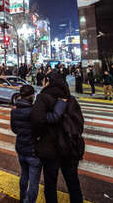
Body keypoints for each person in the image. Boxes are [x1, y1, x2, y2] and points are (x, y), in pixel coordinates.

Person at [31, 75, 83, 203]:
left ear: (48, 82)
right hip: (70, 148)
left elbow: (37, 121)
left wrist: (38, 136)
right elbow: (80, 124)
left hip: (49, 149)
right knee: (73, 184)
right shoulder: (70, 99)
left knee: (50, 184)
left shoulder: (43, 98)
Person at [11, 85, 42, 203]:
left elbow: (14, 129)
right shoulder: (33, 111)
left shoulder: (14, 111)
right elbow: (38, 131)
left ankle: (22, 197)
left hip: (20, 148)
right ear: (31, 96)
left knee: (24, 175)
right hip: (33, 151)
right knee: (34, 182)